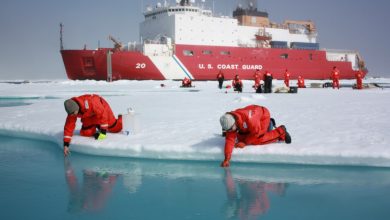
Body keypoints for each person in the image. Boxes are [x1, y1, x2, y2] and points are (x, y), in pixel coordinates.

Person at [219, 105, 291, 167]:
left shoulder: (251, 120)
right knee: (240, 139)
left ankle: (281, 132)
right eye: (227, 130)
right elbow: (230, 140)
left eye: (231, 129)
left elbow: (255, 134)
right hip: (253, 115)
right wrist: (227, 159)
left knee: (257, 139)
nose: (230, 132)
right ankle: (270, 124)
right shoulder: (230, 120)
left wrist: (245, 143)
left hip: (263, 116)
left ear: (234, 122)